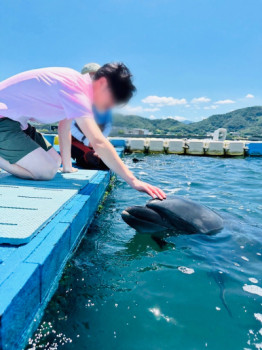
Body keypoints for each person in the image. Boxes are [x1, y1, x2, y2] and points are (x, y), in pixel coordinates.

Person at [0, 63, 166, 199]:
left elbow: (64, 127)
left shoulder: (73, 83)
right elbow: (99, 141)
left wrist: (66, 166)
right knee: (46, 172)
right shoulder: (75, 90)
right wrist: (134, 181)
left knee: (55, 162)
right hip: (4, 121)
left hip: (17, 122)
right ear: (102, 84)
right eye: (110, 102)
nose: (107, 108)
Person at [71, 63, 112, 170]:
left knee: (108, 161)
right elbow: (69, 127)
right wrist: (86, 140)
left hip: (94, 141)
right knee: (93, 159)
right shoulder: (74, 96)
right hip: (75, 141)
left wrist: (100, 142)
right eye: (90, 77)